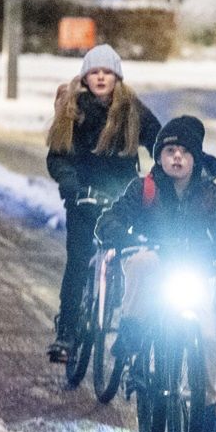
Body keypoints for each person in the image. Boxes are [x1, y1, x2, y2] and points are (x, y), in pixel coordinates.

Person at [95, 115, 216, 432]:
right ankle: (132, 331)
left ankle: (207, 412)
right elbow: (114, 216)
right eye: (169, 151)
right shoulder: (144, 189)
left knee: (208, 336)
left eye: (184, 151)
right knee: (141, 263)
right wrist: (116, 233)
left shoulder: (209, 194)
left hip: (192, 269)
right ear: (159, 157)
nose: (177, 158)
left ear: (195, 158)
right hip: (154, 262)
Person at [46, 43, 162, 363]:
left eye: (106, 72)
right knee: (79, 262)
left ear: (116, 77)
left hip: (122, 202)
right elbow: (57, 156)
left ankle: (130, 330)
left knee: (135, 260)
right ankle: (67, 332)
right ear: (85, 77)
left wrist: (164, 170)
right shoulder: (73, 109)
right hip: (83, 200)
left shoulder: (131, 109)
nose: (100, 77)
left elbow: (159, 141)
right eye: (94, 72)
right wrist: (70, 184)